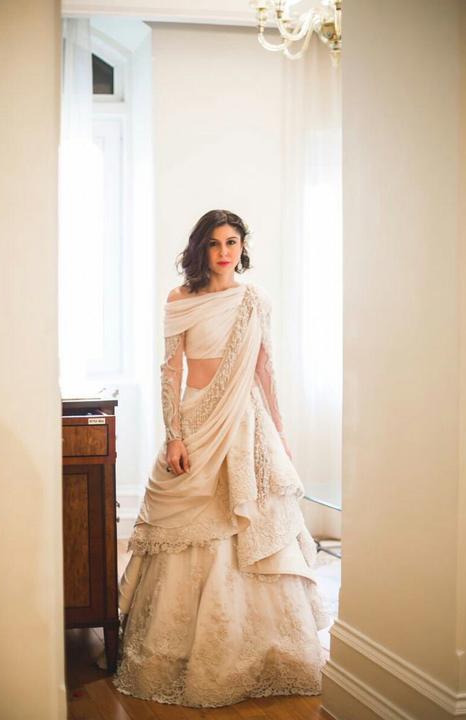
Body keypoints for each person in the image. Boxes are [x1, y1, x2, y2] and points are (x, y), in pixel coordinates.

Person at [112, 209, 331, 707]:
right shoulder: (180, 299)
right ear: (201, 249)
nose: (224, 252)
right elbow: (170, 371)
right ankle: (182, 651)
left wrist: (280, 431)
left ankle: (264, 652)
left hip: (246, 422)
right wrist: (174, 435)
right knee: (192, 524)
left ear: (242, 246)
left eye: (232, 242)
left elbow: (265, 368)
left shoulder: (255, 300)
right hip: (196, 420)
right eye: (214, 243)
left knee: (252, 523)